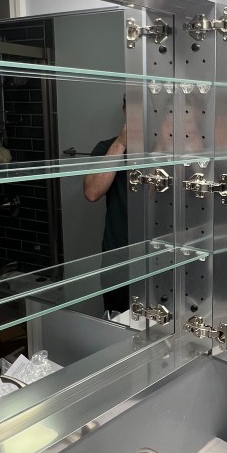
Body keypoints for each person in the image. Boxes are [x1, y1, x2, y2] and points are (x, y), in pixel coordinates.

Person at [83, 99, 130, 316]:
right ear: (125, 109)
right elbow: (92, 192)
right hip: (118, 257)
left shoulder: (170, 150)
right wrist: (121, 142)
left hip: (163, 257)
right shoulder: (107, 147)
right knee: (118, 322)